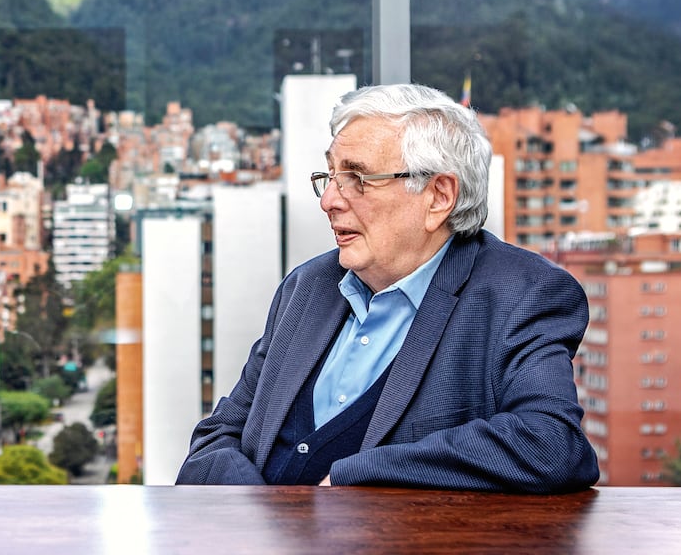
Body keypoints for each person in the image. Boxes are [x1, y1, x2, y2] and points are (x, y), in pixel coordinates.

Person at [176, 83, 599, 492]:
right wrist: (259, 524)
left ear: (438, 196)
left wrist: (357, 477)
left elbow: (551, 444)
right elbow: (215, 441)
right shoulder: (307, 288)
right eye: (331, 176)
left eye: (358, 178)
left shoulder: (522, 294)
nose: (329, 201)